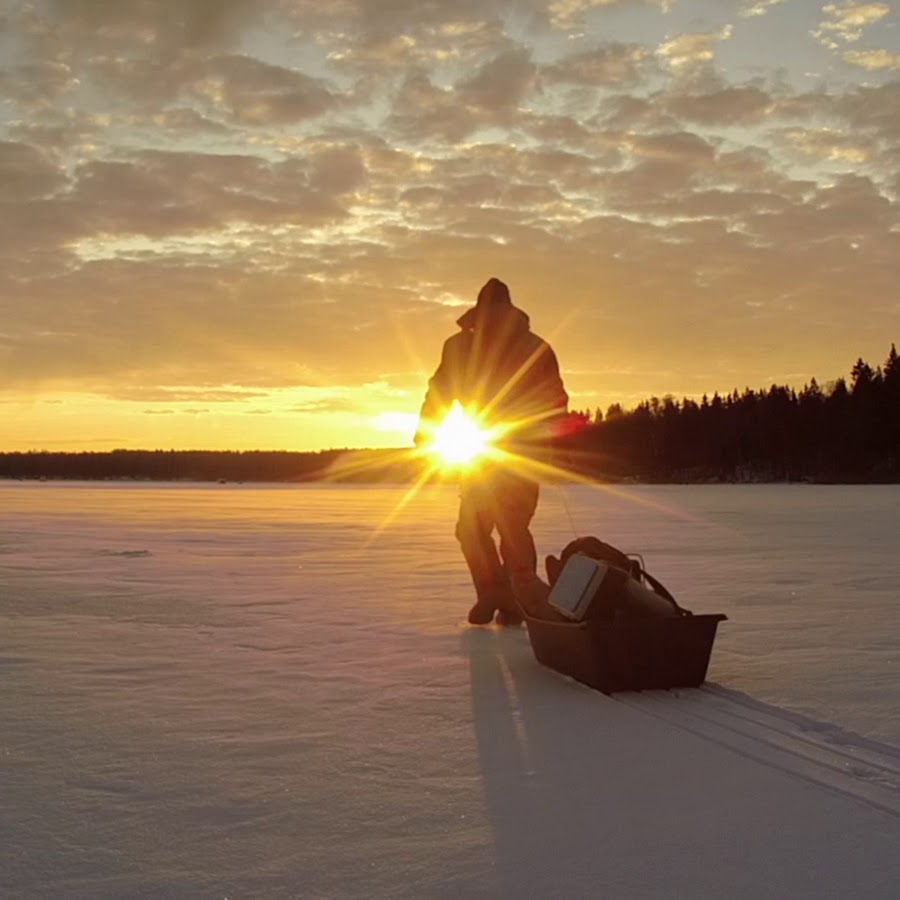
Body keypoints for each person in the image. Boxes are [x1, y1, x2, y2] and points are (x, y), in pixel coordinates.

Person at [415, 277, 569, 626]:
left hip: (520, 451)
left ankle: (520, 599)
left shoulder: (534, 347)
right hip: (481, 449)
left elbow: (555, 398)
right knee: (473, 527)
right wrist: (427, 432)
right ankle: (496, 594)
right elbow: (440, 390)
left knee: (507, 526)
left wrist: (551, 435)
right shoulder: (458, 346)